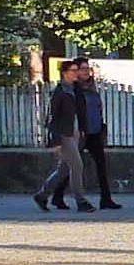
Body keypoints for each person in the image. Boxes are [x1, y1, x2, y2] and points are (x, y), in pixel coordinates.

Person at [35, 63, 88, 212]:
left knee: (64, 169)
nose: (76, 73)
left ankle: (42, 195)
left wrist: (82, 129)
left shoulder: (75, 89)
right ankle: (81, 201)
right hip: (64, 134)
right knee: (77, 166)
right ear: (64, 73)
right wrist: (56, 140)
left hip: (74, 132)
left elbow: (80, 112)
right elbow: (53, 117)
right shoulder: (59, 92)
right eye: (73, 70)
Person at [74, 59, 121, 210]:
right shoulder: (74, 89)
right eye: (83, 69)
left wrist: (101, 126)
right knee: (70, 167)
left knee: (101, 166)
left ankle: (106, 199)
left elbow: (97, 109)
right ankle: (55, 195)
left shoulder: (92, 88)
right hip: (80, 133)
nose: (86, 72)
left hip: (94, 131)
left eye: (88, 68)